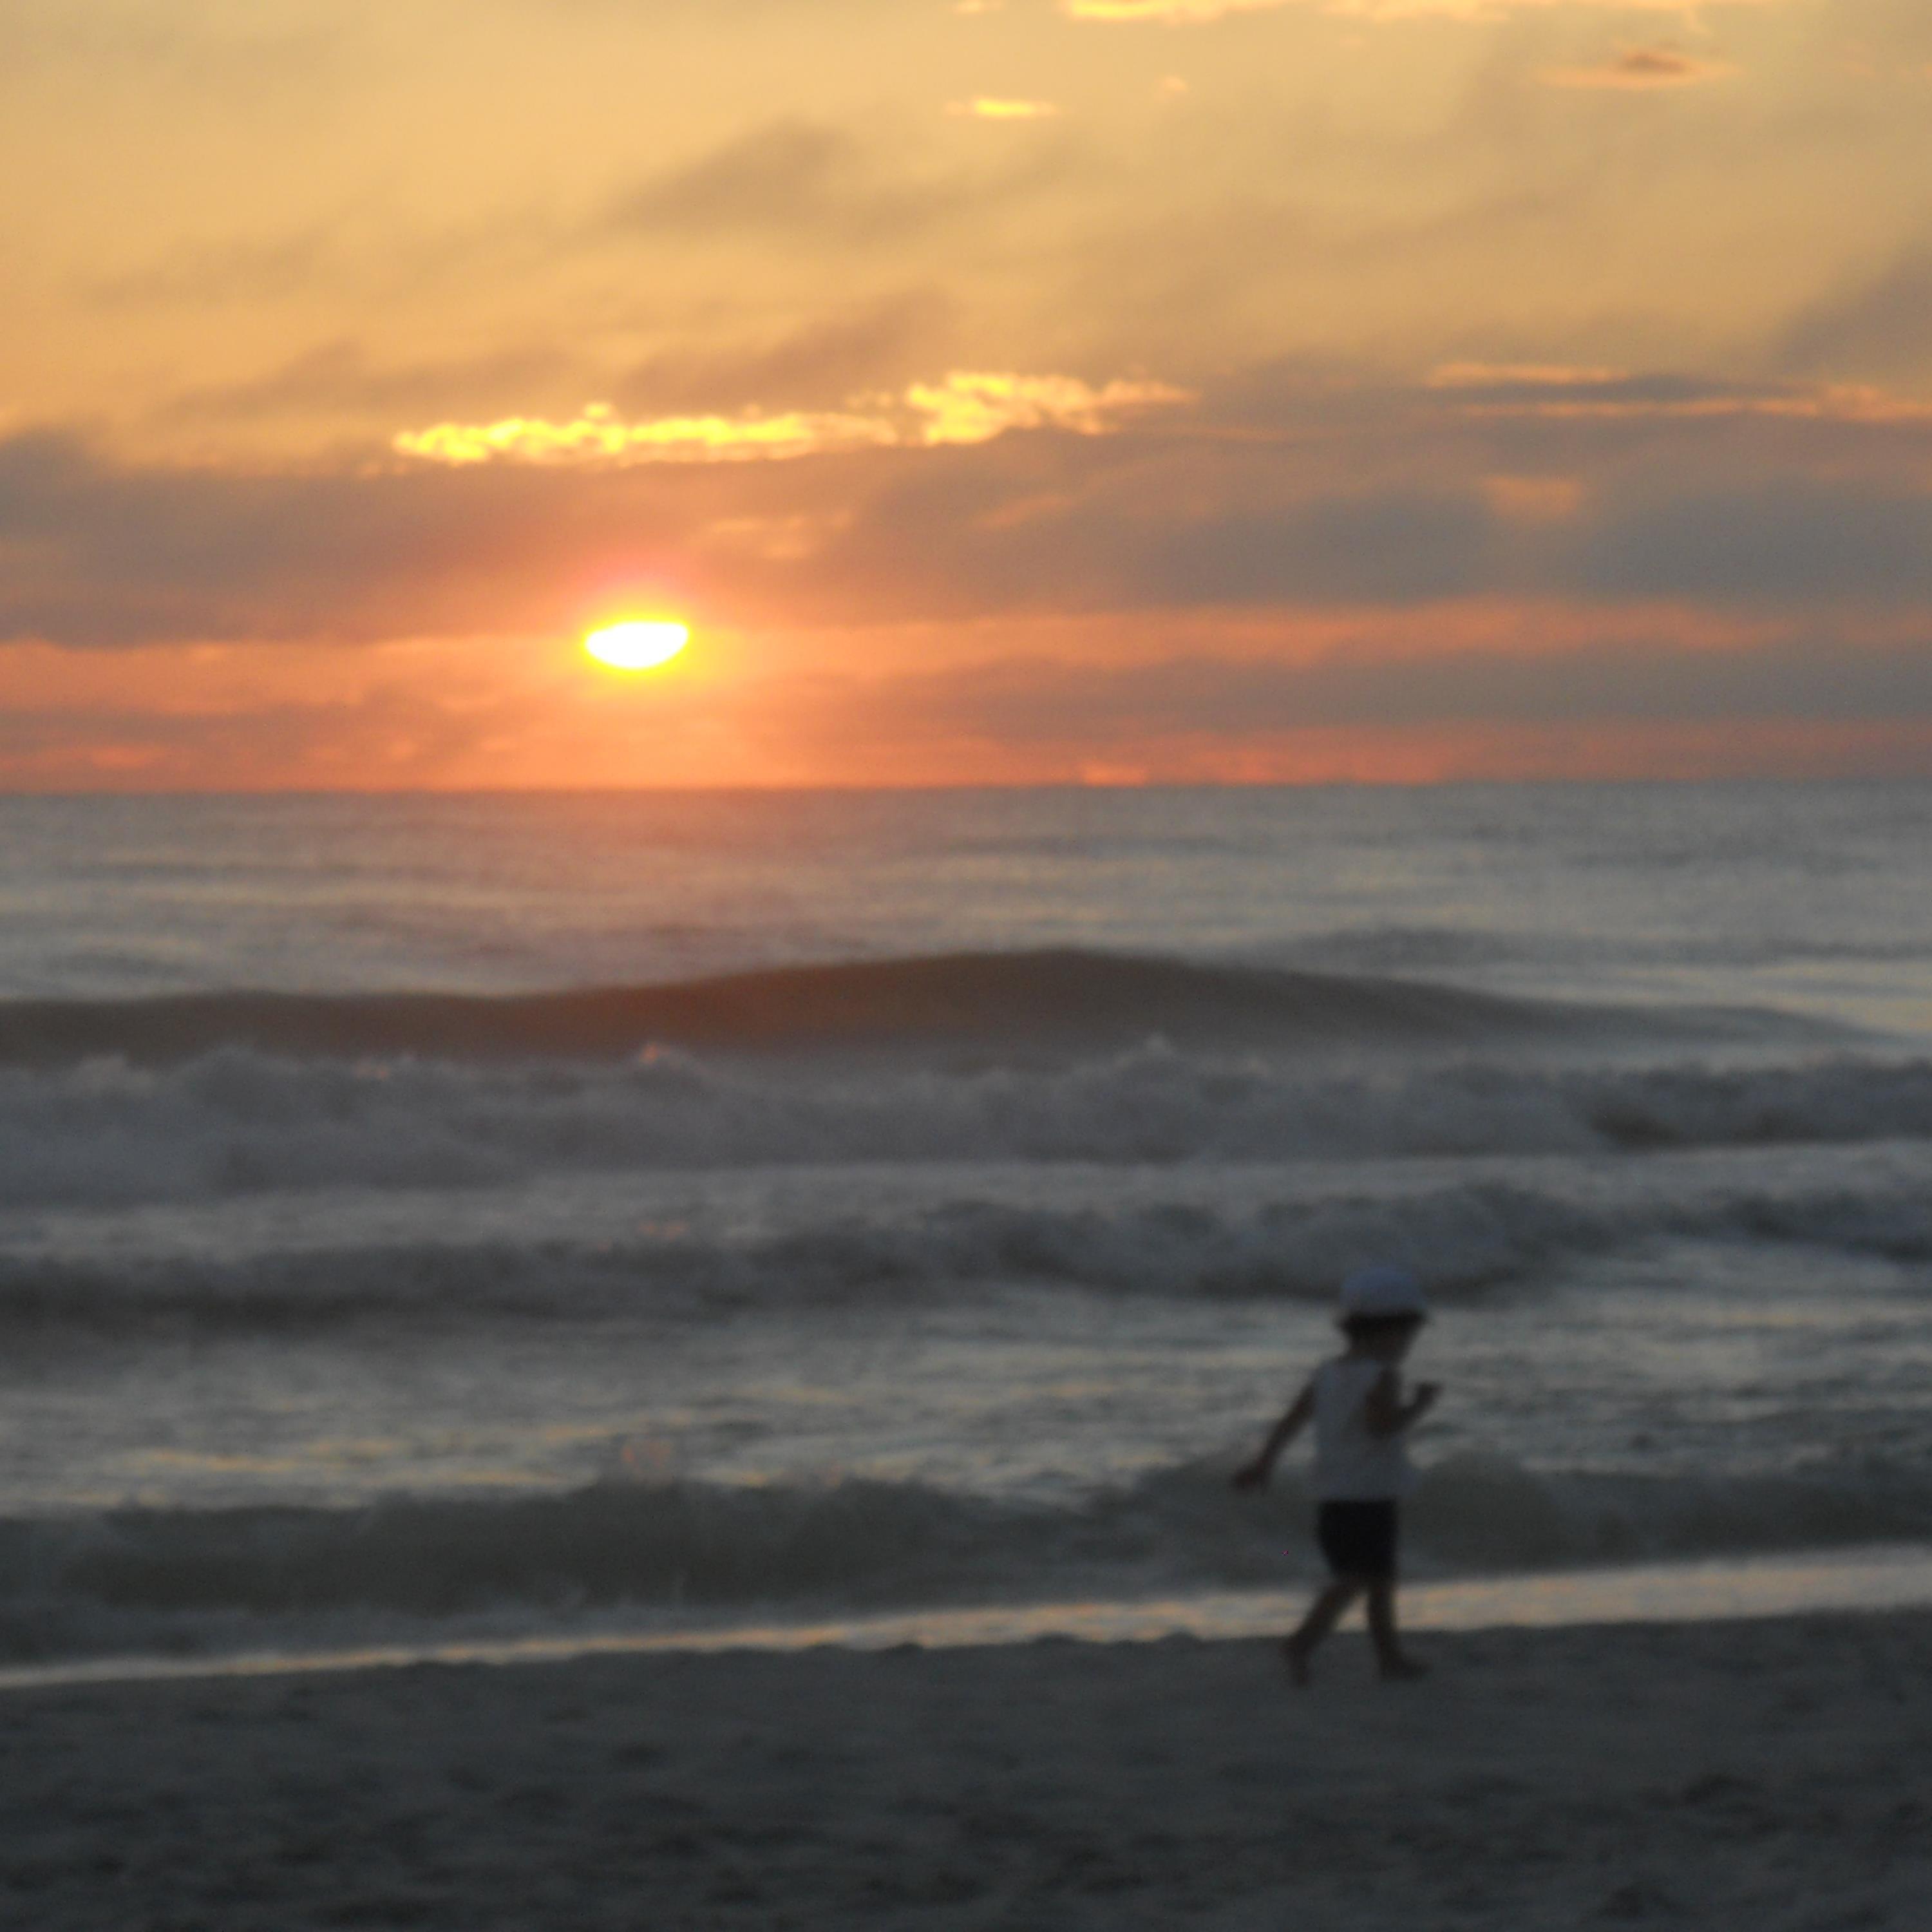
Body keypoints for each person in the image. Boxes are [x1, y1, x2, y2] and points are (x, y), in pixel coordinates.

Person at [1231, 1265, 1439, 1684]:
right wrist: (1420, 1406)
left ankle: (1389, 1658)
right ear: (1386, 1331)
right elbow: (1382, 1428)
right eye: (1406, 1336)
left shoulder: (1327, 1373)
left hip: (1334, 1498)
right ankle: (1302, 1643)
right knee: (1361, 1579)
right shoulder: (1382, 1375)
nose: (1406, 1346)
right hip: (1369, 1498)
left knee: (1378, 1579)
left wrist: (1264, 1463)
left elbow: (1292, 1421)